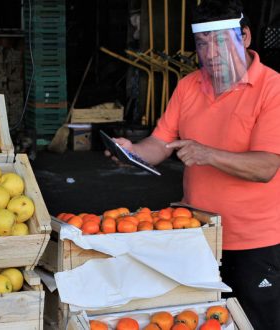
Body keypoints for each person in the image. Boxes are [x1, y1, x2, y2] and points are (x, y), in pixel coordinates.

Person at [108, 0, 280, 328]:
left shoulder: (272, 90)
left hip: (254, 242)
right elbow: (161, 143)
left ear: (244, 37)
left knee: (256, 322)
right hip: (196, 235)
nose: (211, 53)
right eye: (202, 44)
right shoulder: (189, 86)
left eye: (219, 42)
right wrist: (133, 152)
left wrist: (208, 154)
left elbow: (266, 168)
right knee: (198, 320)